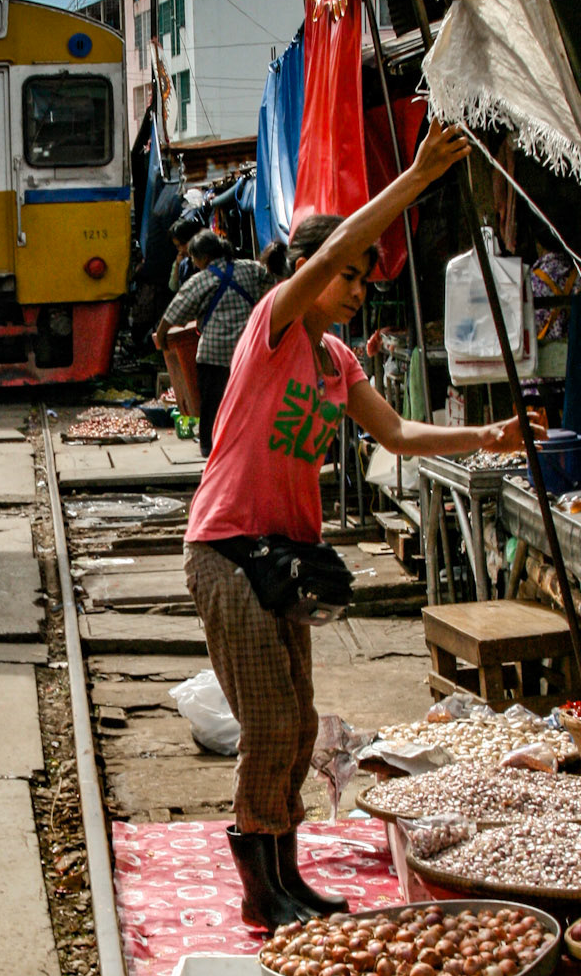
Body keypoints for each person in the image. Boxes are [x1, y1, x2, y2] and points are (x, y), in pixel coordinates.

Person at [183, 123, 536, 931]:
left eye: (360, 281)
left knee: (299, 723)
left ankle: (285, 875)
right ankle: (258, 887)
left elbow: (400, 436)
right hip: (226, 549)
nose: (354, 290)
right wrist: (411, 180)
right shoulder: (272, 330)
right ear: (312, 274)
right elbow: (341, 236)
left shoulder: (337, 362)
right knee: (269, 723)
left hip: (284, 558)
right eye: (346, 277)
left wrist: (485, 438)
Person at [154, 230, 270, 455]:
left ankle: (208, 445)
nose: (194, 264)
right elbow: (272, 284)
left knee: (211, 401)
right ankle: (248, 443)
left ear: (204, 257)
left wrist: (161, 335)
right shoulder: (250, 268)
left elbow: (175, 311)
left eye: (194, 258)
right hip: (248, 349)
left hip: (214, 352)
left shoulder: (202, 279)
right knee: (248, 399)